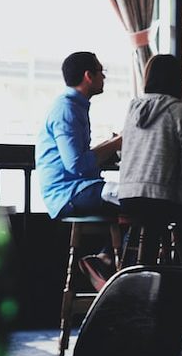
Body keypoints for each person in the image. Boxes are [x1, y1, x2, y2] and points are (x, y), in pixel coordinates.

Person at [36, 51, 123, 288]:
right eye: (100, 71)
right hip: (68, 192)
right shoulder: (67, 109)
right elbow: (75, 164)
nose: (104, 76)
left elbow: (79, 158)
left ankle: (105, 259)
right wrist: (115, 144)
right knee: (137, 198)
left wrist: (110, 144)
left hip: (76, 188)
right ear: (88, 76)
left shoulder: (75, 105)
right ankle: (105, 261)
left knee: (137, 199)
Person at [117, 54, 182, 264]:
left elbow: (122, 150)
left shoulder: (133, 108)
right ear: (177, 79)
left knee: (152, 227)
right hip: (163, 198)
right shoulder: (179, 109)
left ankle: (140, 274)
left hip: (128, 197)